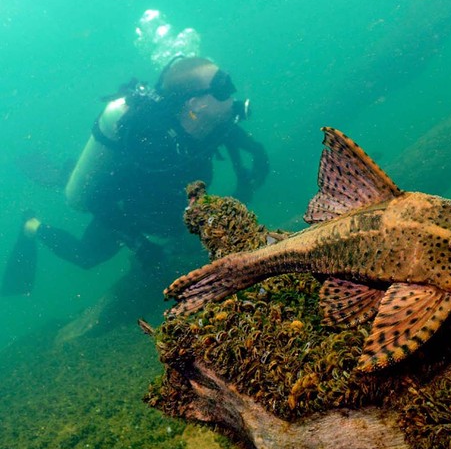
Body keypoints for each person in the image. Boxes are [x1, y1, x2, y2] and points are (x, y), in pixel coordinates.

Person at [3, 57, 269, 329]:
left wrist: (255, 161)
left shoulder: (211, 122)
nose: (233, 94)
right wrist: (139, 244)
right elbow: (98, 199)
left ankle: (66, 174)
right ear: (194, 103)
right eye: (223, 89)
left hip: (167, 210)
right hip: (126, 209)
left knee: (178, 232)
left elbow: (239, 142)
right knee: (87, 256)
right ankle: (31, 225)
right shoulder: (149, 143)